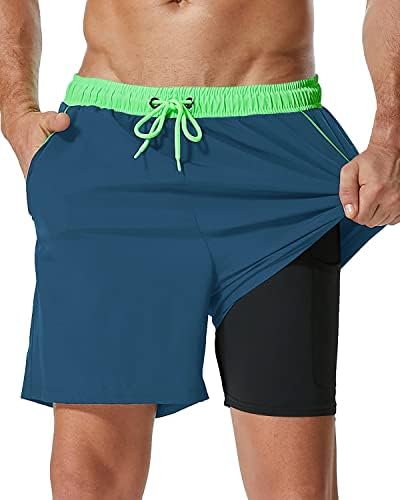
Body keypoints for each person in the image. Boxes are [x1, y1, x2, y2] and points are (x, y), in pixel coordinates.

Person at [1, 1, 399, 498]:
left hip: (271, 160)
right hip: (108, 155)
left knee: (296, 490)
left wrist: (391, 134)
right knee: (87, 484)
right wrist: (16, 113)